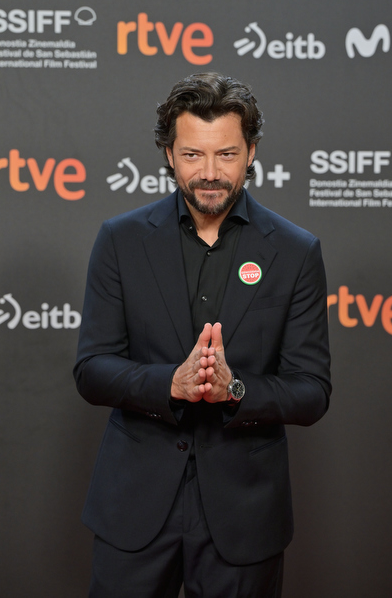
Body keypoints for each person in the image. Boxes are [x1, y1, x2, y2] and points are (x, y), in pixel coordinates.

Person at [74, 72, 331, 598]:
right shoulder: (121, 240)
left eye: (226, 154)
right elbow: (92, 369)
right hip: (134, 506)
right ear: (169, 154)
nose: (209, 173)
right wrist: (172, 383)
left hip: (245, 512)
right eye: (193, 154)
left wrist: (233, 389)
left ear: (251, 152)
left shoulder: (296, 251)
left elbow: (312, 391)